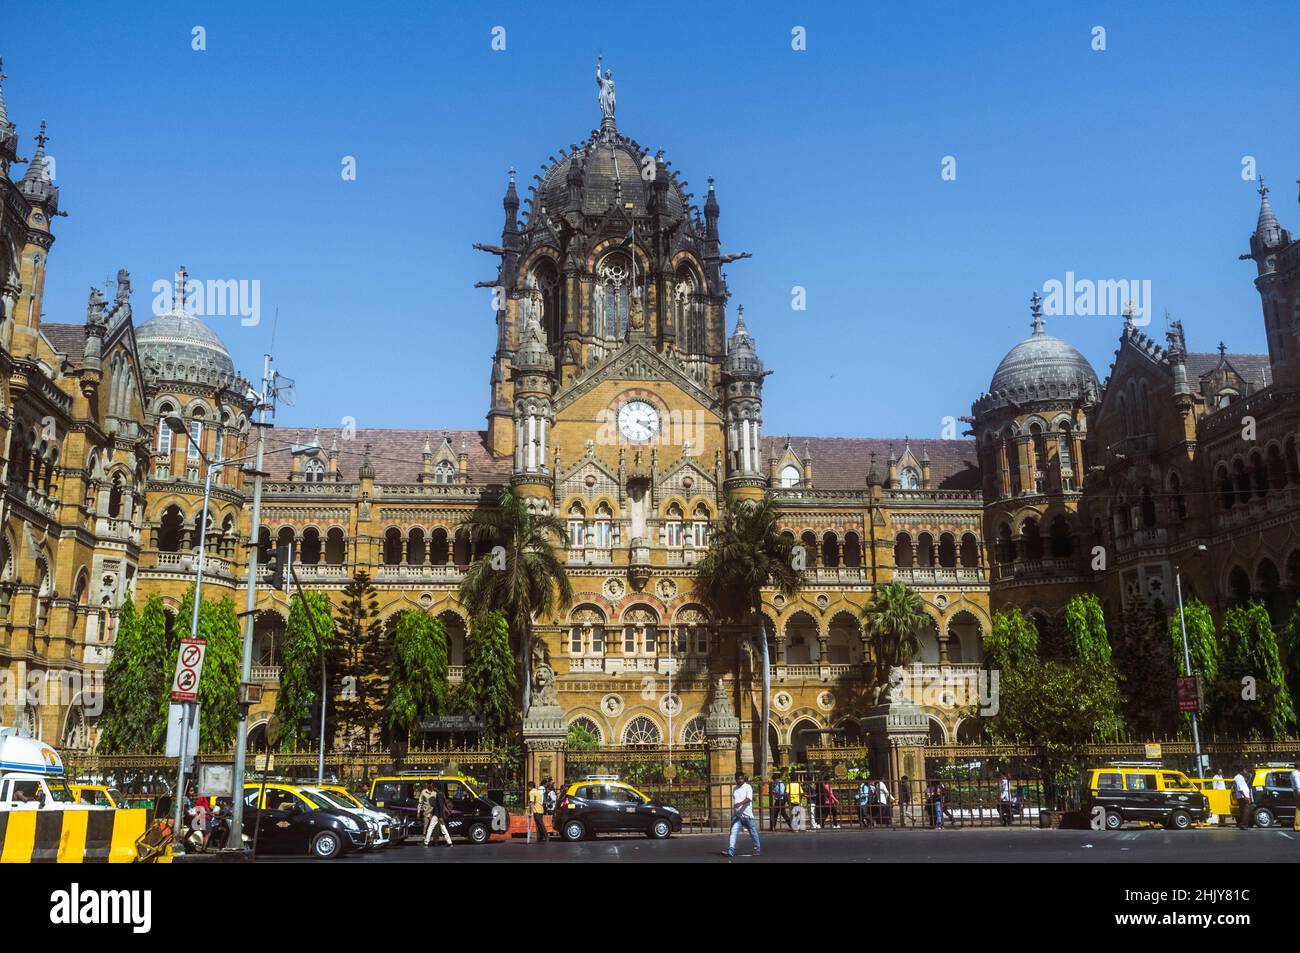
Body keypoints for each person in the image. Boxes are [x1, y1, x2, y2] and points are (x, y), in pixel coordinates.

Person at [724, 771, 761, 858]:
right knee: (733, 832)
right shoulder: (735, 788)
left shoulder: (748, 787)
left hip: (747, 816)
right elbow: (735, 799)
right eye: (738, 779)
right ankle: (731, 850)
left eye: (741, 778)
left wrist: (740, 804)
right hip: (737, 816)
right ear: (736, 779)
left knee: (753, 832)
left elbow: (749, 799)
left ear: (743, 779)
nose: (740, 780)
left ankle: (757, 849)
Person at [1290, 761, 1300, 832]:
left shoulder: (1292, 773)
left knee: (1299, 809)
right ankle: (1297, 826)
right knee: (1299, 809)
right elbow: (1298, 785)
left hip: (1296, 792)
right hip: (1298, 792)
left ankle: (1297, 825)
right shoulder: (1297, 774)